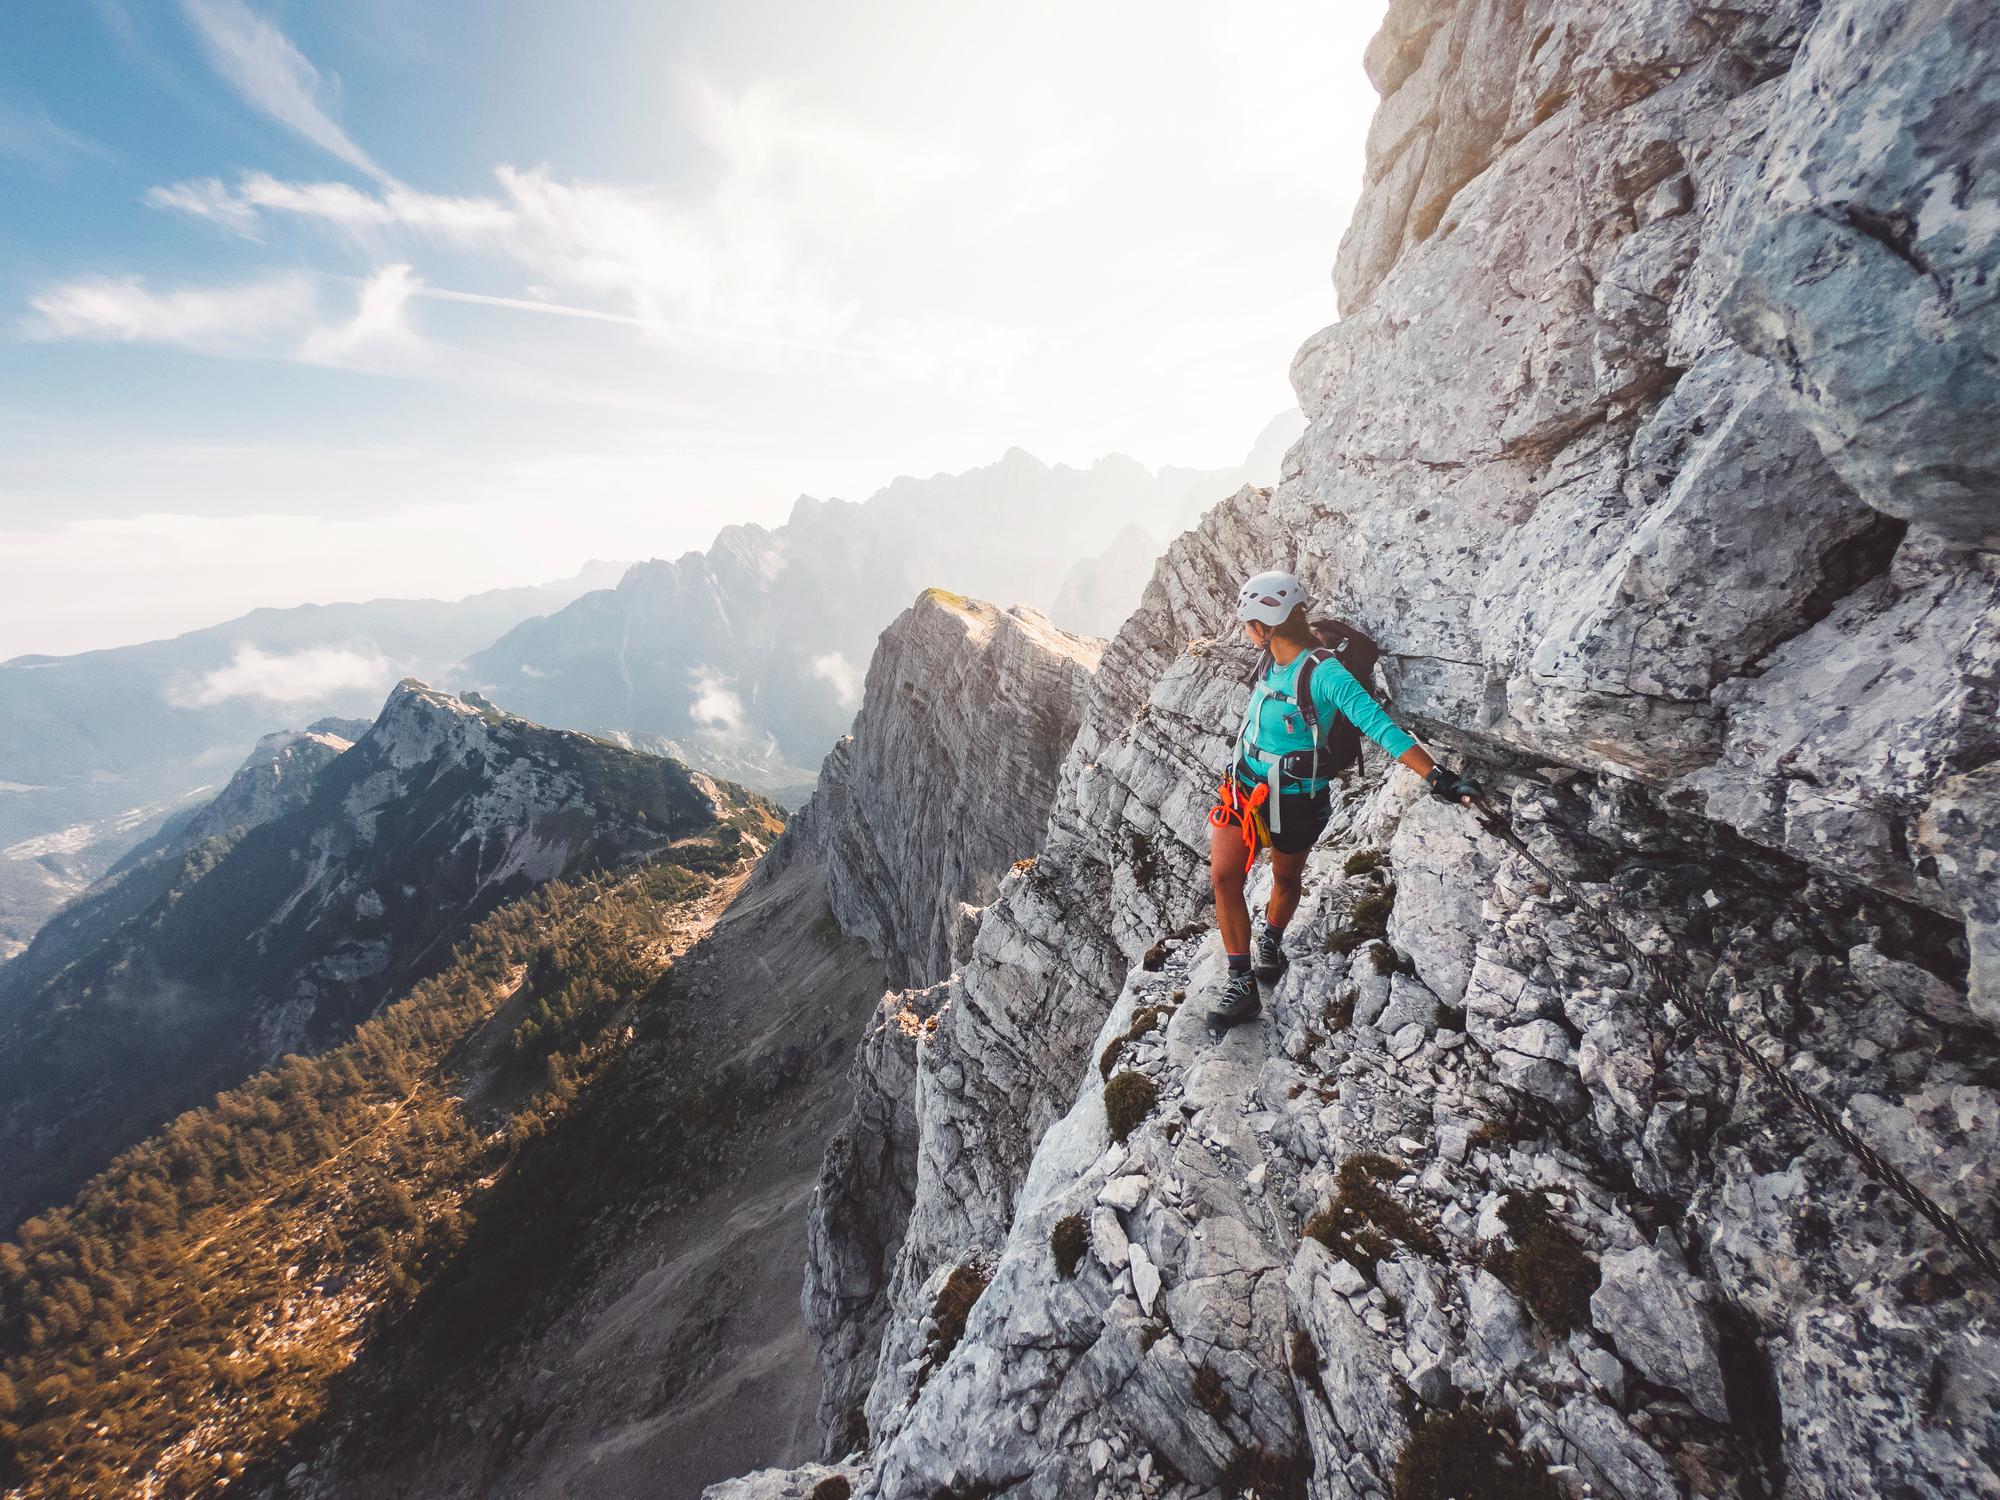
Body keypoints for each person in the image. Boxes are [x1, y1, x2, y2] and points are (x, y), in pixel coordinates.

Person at [1208, 569, 1478, 1030]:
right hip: (1243, 789)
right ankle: (1241, 981)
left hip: (1294, 797)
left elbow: (1378, 726)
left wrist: (1438, 776)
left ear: (1266, 625)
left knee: (1285, 878)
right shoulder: (1268, 660)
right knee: (1224, 878)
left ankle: (1270, 941)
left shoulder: (1325, 673)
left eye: (1249, 623)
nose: (1247, 631)